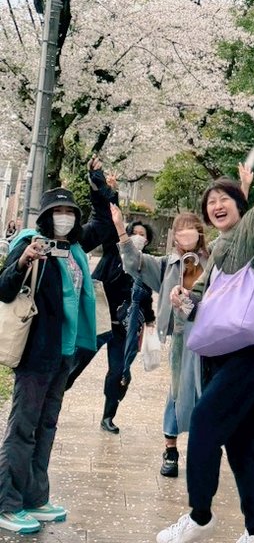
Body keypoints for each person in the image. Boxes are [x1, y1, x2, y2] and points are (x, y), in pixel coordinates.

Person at [157, 99, 254, 543]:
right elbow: (201, 300)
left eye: (224, 199)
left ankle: (200, 516)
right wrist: (183, 297)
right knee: (242, 440)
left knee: (204, 421)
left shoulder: (252, 230)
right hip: (236, 345)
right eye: (210, 203)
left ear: (239, 205)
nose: (216, 205)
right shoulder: (219, 250)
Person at [0, 183, 114, 535]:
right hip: (36, 353)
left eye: (70, 213)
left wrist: (98, 186)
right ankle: (7, 502)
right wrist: (24, 260)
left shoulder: (75, 248)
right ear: (46, 216)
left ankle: (35, 496)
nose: (64, 218)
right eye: (57, 212)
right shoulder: (30, 241)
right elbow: (3, 289)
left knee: (46, 426)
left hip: (65, 352)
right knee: (23, 428)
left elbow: (105, 223)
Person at [113, 207, 210, 478]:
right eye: (181, 229)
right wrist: (121, 229)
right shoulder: (168, 264)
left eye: (192, 228)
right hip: (182, 335)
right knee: (179, 389)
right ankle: (170, 448)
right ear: (174, 236)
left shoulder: (213, 260)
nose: (186, 233)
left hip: (212, 334)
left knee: (208, 391)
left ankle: (204, 449)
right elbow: (135, 262)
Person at [66, 161, 156, 434]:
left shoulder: (147, 266)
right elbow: (107, 216)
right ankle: (55, 396)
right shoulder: (112, 250)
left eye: (143, 236)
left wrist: (150, 323)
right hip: (100, 319)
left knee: (118, 373)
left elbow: (147, 298)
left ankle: (108, 415)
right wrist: (106, 190)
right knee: (76, 362)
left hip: (125, 329)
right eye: (135, 234)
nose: (138, 238)